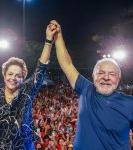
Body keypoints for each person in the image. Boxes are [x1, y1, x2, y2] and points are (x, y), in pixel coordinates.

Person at [51, 20, 133, 150]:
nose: (106, 77)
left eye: (111, 74)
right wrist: (58, 37)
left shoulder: (130, 103)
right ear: (93, 76)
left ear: (118, 78)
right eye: (101, 73)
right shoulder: (85, 89)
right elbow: (66, 64)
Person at [0, 22, 57, 150]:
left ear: (23, 78)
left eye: (18, 75)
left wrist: (48, 40)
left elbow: (41, 68)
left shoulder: (26, 93)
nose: (13, 78)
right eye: (10, 74)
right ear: (4, 75)